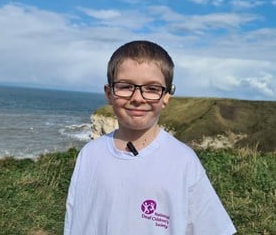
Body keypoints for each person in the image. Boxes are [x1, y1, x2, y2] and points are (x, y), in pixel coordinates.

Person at [64, 40, 236, 234]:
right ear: (109, 93)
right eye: (125, 86)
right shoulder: (89, 155)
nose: (138, 98)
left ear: (166, 97)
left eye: (152, 89)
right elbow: (74, 220)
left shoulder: (183, 162)